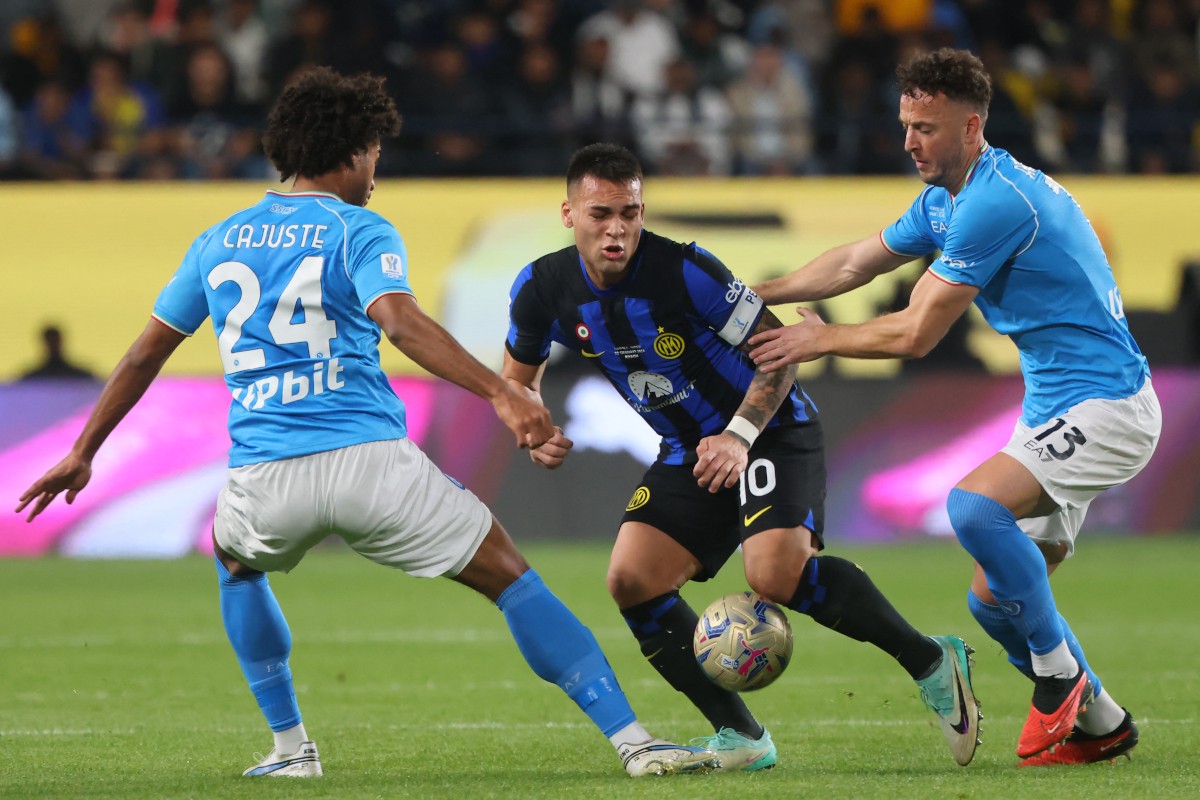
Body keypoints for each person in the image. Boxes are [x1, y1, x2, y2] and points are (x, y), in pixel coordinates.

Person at [15, 68, 718, 780]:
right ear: (348, 151)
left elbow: (143, 355)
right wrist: (499, 394)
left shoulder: (218, 241)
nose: (377, 170)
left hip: (264, 475)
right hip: (370, 462)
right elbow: (402, 324)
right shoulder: (358, 227)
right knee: (510, 578)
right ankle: (633, 741)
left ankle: (291, 750)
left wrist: (83, 451)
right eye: (375, 151)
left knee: (236, 567)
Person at [501, 142, 981, 771]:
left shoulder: (686, 271)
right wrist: (531, 426)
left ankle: (931, 661)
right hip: (688, 450)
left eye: (630, 212)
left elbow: (778, 352)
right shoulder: (541, 288)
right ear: (569, 214)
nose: (616, 229)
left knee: (774, 576)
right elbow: (516, 379)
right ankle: (742, 737)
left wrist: (739, 435)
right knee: (631, 582)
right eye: (600, 214)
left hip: (771, 430)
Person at [748, 48, 1160, 766]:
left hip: (1110, 405)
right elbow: (855, 263)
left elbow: (915, 331)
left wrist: (818, 338)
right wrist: (756, 298)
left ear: (972, 127)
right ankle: (1103, 723)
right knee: (992, 605)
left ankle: (1059, 680)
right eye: (906, 124)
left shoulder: (993, 202)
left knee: (973, 509)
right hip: (1060, 407)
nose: (910, 141)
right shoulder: (947, 198)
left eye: (927, 128)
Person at [20, 324, 96, 380]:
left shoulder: (33, 377)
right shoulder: (79, 375)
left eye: (54, 341)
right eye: (50, 341)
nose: (52, 344)